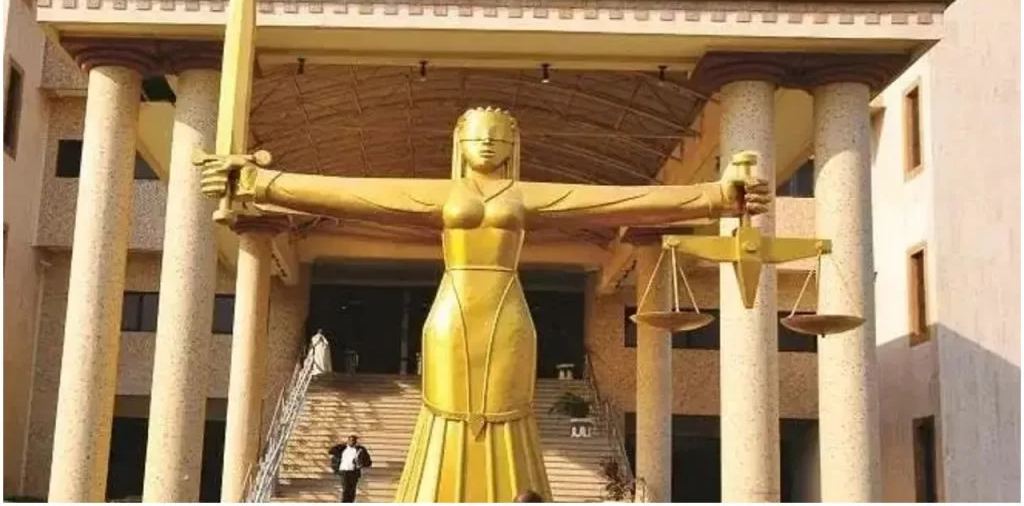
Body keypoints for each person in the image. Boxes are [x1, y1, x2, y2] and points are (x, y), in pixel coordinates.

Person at [200, 107, 770, 501]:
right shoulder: (441, 193)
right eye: (479, 134)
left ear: (514, 146)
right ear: (460, 142)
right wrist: (260, 182)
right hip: (451, 315)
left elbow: (619, 201)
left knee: (507, 411)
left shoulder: (525, 195)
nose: (490, 142)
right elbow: (351, 192)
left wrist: (719, 195)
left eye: (500, 135)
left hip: (508, 314)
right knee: (447, 410)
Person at [329, 435, 372, 502]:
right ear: (348, 441)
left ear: (356, 442)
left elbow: (368, 462)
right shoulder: (342, 448)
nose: (352, 442)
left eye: (354, 441)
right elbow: (331, 451)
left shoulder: (360, 450)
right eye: (351, 440)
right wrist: (341, 444)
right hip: (344, 471)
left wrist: (361, 464)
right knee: (346, 489)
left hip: (353, 472)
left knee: (352, 490)